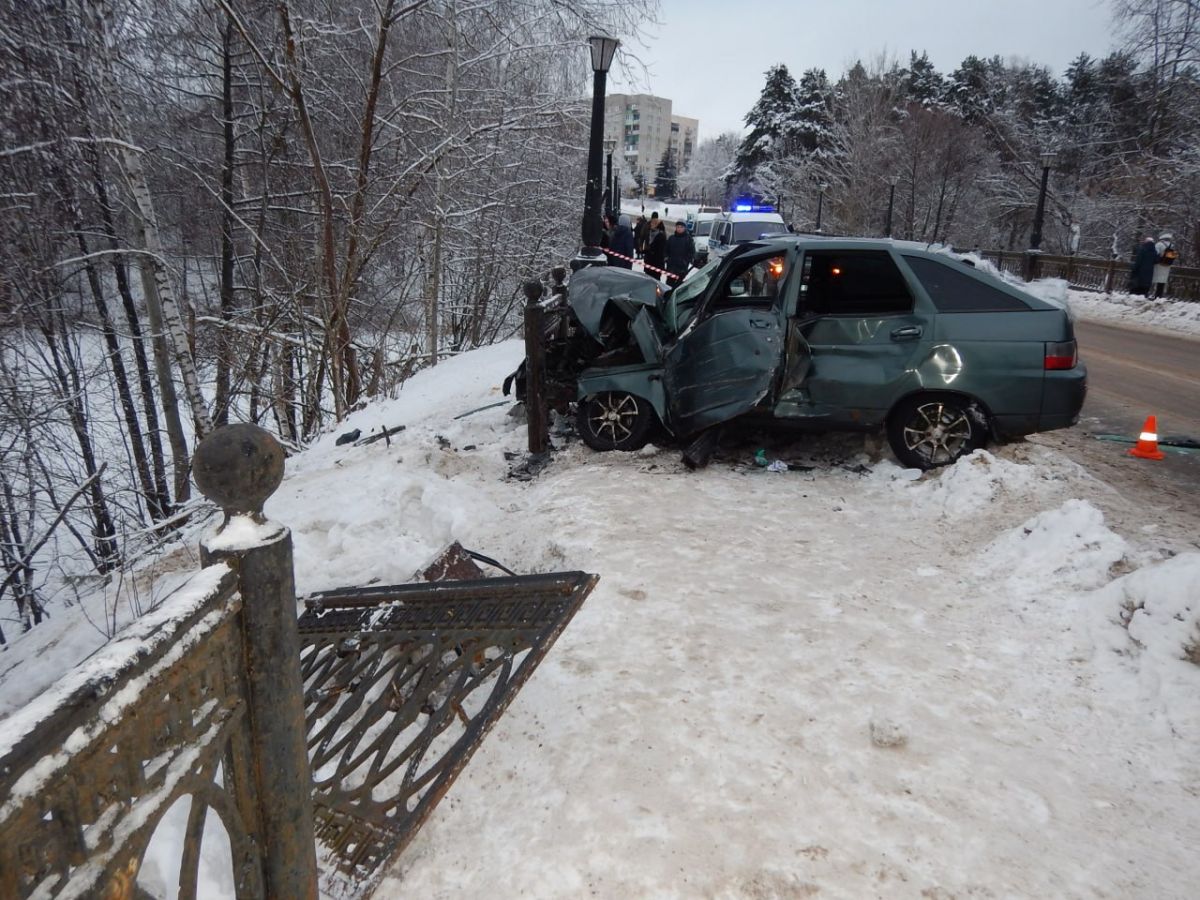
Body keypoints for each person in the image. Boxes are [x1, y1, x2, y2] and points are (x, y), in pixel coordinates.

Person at [665, 220, 695, 284]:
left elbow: (692, 252)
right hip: (671, 267)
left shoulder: (688, 239)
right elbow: (666, 249)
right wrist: (666, 258)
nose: (679, 228)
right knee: (669, 284)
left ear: (685, 228)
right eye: (678, 227)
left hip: (682, 268)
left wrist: (685, 261)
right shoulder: (671, 238)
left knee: (679, 285)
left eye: (681, 227)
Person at [1151, 232, 1178, 298]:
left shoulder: (1159, 244)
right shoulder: (1172, 245)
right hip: (1167, 265)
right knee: (1162, 281)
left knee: (1154, 279)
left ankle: (1152, 294)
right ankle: (1159, 295)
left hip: (1159, 264)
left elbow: (1155, 254)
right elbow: (1174, 255)